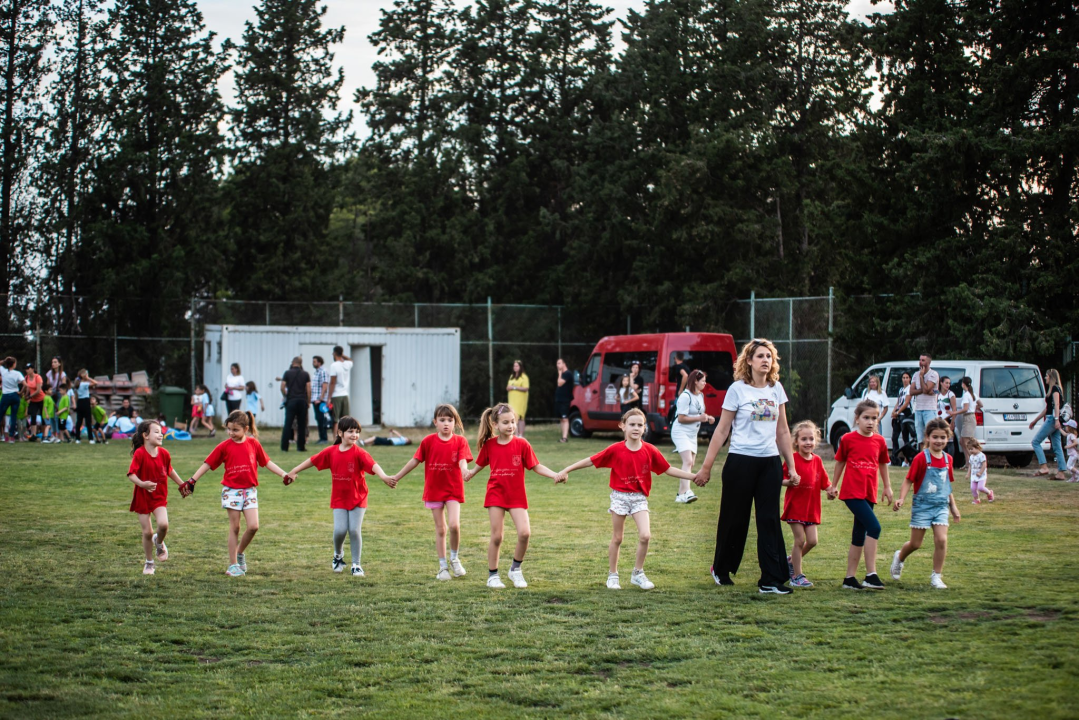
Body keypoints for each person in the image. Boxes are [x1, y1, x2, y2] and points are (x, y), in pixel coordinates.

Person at [692, 338, 800, 595]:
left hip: (769, 463)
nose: (766, 360)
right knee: (735, 518)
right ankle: (721, 569)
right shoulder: (737, 390)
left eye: (769, 357)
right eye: (760, 356)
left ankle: (770, 580)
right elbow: (722, 430)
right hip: (740, 461)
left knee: (769, 520)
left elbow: (783, 431)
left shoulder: (776, 389)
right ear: (748, 361)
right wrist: (707, 467)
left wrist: (791, 466)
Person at [558, 408, 697, 590]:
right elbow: (590, 460)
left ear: (644, 428)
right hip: (619, 497)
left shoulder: (650, 450)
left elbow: (668, 469)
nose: (636, 428)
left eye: (640, 425)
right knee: (617, 538)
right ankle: (613, 575)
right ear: (623, 426)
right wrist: (566, 470)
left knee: (645, 536)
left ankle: (637, 573)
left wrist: (693, 476)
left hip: (639, 498)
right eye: (632, 424)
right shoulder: (615, 449)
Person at [181, 410, 292, 577]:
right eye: (229, 429)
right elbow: (208, 464)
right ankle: (233, 565)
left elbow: (267, 462)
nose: (230, 433)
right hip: (231, 491)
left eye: (235, 430)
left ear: (246, 429)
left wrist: (284, 474)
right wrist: (192, 480)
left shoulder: (254, 444)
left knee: (254, 526)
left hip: (249, 491)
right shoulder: (224, 446)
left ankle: (240, 553)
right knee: (235, 527)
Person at [285, 415, 397, 577]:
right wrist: (294, 471)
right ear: (340, 433)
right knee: (339, 530)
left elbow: (373, 465)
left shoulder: (359, 452)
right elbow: (312, 460)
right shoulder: (331, 452)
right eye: (350, 431)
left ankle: (356, 565)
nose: (354, 435)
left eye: (357, 432)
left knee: (353, 530)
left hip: (358, 497)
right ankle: (338, 556)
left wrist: (385, 477)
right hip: (339, 498)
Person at [464, 403, 559, 589]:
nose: (510, 426)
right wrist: (469, 474)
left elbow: (535, 466)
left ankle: (515, 570)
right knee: (497, 537)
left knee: (525, 533)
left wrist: (554, 474)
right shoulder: (490, 445)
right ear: (496, 425)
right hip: (496, 495)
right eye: (506, 422)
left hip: (516, 496)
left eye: (513, 422)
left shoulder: (522, 444)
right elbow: (479, 465)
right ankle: (493, 576)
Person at [392, 404, 473, 581]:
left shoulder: (460, 441)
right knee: (441, 529)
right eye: (442, 420)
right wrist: (397, 476)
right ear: (435, 422)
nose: (446, 424)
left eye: (450, 420)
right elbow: (415, 461)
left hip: (453, 490)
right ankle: (442, 567)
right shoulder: (428, 441)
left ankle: (454, 558)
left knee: (454, 525)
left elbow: (462, 461)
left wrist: (465, 471)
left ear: (455, 423)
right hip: (434, 491)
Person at [890, 418, 962, 589]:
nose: (939, 441)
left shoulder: (948, 460)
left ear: (948, 438)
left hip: (941, 506)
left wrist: (954, 507)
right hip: (922, 506)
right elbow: (908, 480)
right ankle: (900, 557)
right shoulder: (921, 458)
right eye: (935, 437)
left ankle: (936, 576)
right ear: (927, 437)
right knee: (916, 544)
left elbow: (947, 486)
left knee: (941, 540)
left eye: (943, 438)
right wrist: (901, 498)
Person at [832, 400, 893, 590]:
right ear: (857, 419)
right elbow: (840, 462)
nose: (870, 422)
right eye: (866, 418)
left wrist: (887, 487)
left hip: (869, 492)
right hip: (851, 493)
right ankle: (871, 575)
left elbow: (883, 463)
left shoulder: (880, 441)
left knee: (859, 535)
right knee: (874, 527)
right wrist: (834, 485)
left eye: (874, 418)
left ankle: (849, 579)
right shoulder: (848, 439)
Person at [127, 420, 186, 575]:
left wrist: (182, 484)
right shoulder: (140, 453)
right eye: (157, 432)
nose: (161, 434)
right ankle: (149, 562)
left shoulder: (165, 453)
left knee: (164, 525)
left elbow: (170, 471)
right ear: (146, 435)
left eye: (161, 432)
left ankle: (158, 543)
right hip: (142, 498)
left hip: (158, 497)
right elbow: (131, 474)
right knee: (147, 532)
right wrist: (142, 484)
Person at [782, 420, 835, 588]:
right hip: (795, 507)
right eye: (804, 439)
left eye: (811, 439)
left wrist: (830, 490)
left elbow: (824, 482)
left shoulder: (817, 460)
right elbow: (779, 479)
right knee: (799, 540)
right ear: (796, 441)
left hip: (811, 508)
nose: (808, 442)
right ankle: (797, 576)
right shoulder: (793, 460)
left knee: (812, 541)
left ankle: (791, 561)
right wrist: (788, 482)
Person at [671, 369, 714, 504]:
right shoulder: (685, 396)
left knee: (690, 463)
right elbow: (681, 418)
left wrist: (707, 418)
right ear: (695, 381)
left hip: (692, 434)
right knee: (688, 461)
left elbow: (700, 414)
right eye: (703, 381)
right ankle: (687, 492)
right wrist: (700, 418)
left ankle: (680, 494)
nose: (705, 384)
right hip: (680, 432)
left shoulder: (700, 396)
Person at [1029, 368, 1066, 480]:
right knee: (1057, 447)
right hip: (1052, 418)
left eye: (1046, 376)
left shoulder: (1055, 389)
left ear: (1051, 377)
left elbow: (1057, 405)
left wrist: (1056, 420)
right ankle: (1061, 472)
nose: (1045, 378)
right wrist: (1035, 420)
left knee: (1035, 442)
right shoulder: (1054, 389)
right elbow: (1048, 408)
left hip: (1052, 420)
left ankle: (1044, 466)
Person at [279, 357, 311, 453]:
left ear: (293, 363)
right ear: (301, 363)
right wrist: (308, 401)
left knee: (288, 424)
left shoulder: (287, 373)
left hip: (291, 400)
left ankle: (284, 447)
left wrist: (285, 395)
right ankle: (300, 447)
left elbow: (282, 386)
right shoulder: (305, 374)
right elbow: (308, 389)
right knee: (302, 424)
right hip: (302, 401)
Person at [909, 354, 939, 444]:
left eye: (923, 360)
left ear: (928, 362)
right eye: (920, 360)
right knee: (920, 439)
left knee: (930, 436)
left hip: (929, 409)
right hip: (918, 409)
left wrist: (922, 377)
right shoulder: (915, 374)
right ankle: (922, 457)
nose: (920, 362)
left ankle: (930, 456)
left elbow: (926, 390)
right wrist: (925, 390)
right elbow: (911, 392)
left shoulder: (933, 374)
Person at [327, 346, 353, 434]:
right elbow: (350, 360)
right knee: (345, 419)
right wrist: (342, 355)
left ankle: (336, 439)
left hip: (336, 395)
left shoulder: (334, 365)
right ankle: (346, 437)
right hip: (345, 394)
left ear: (334, 353)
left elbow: (332, 382)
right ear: (342, 353)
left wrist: (329, 397)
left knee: (335, 419)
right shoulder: (347, 364)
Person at [890, 371, 915, 465]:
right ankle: (894, 459)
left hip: (905, 413)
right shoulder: (901, 389)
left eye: (907, 377)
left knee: (905, 437)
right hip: (898, 415)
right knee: (894, 437)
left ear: (910, 379)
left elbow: (906, 403)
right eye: (903, 378)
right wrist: (894, 411)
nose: (905, 379)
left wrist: (898, 412)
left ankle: (907, 460)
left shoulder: (909, 389)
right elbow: (898, 402)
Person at [1, 357, 24, 442]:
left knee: (0, 414)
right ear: (14, 364)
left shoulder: (3, 371)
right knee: (13, 417)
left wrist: (4, 360)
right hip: (15, 395)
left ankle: (4, 435)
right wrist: (21, 392)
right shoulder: (17, 373)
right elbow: (25, 385)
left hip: (5, 395)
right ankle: (11, 437)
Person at [505, 360, 530, 438]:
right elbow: (508, 387)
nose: (515, 367)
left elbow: (526, 388)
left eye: (517, 366)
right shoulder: (511, 377)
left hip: (520, 400)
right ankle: (515, 434)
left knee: (520, 417)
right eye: (514, 366)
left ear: (520, 367)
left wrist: (514, 387)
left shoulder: (524, 377)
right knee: (513, 417)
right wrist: (509, 388)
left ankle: (521, 434)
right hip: (512, 400)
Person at [955, 377, 978, 457]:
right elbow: (980, 404)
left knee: (966, 441)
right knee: (962, 441)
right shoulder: (973, 394)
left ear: (963, 384)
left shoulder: (966, 395)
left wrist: (955, 412)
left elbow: (965, 408)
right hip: (971, 417)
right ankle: (968, 462)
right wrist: (974, 407)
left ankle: (973, 460)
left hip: (968, 417)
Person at [22, 363, 45, 442]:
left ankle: (44, 435)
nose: (27, 370)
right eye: (26, 369)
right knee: (33, 416)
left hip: (41, 399)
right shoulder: (26, 377)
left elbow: (38, 390)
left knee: (43, 416)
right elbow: (28, 388)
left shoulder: (37, 377)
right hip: (33, 400)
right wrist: (25, 394)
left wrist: (29, 396)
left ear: (32, 369)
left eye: (28, 368)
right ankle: (33, 435)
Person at [966, 439, 994, 504]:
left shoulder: (981, 455)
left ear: (977, 447)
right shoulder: (971, 457)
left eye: (971, 449)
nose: (970, 451)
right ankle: (976, 499)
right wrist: (968, 474)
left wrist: (980, 472)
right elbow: (970, 466)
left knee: (981, 488)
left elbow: (984, 465)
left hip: (981, 476)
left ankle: (989, 493)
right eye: (969, 449)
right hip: (974, 476)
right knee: (973, 488)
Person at [46, 357, 66, 442]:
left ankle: (58, 435)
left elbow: (64, 386)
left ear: (59, 364)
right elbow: (47, 385)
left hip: (59, 394)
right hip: (51, 394)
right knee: (51, 415)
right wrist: (49, 392)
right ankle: (53, 434)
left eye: (55, 362)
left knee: (56, 415)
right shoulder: (49, 373)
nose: (53, 364)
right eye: (52, 362)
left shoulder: (62, 374)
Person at [310, 355, 330, 444]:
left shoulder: (323, 372)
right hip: (315, 399)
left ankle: (324, 438)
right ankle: (321, 437)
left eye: (314, 361)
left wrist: (320, 399)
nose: (313, 363)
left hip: (320, 400)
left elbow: (324, 386)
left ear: (319, 362)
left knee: (322, 419)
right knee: (318, 418)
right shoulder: (316, 372)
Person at [554, 359, 574, 443]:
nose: (557, 365)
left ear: (564, 364)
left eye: (559, 363)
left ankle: (565, 437)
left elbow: (559, 383)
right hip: (559, 399)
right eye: (557, 363)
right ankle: (563, 436)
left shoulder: (567, 374)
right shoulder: (563, 374)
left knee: (565, 418)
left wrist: (559, 373)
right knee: (561, 418)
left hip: (565, 400)